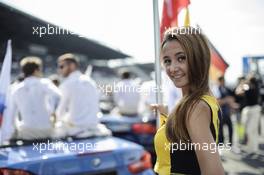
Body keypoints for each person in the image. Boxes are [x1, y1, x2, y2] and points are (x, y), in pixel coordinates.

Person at [152, 27, 224, 175]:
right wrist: (168, 115)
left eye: (181, 58)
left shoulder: (195, 107)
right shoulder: (197, 103)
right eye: (167, 61)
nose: (172, 68)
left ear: (197, 58)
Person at [1, 56, 61, 141]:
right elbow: (58, 96)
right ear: (36, 70)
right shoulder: (45, 83)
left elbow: (12, 115)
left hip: (27, 132)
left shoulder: (16, 89)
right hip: (46, 130)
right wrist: (52, 113)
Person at [55, 53, 107, 138]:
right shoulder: (91, 82)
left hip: (76, 131)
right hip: (94, 127)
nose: (59, 70)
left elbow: (60, 112)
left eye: (61, 66)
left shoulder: (67, 84)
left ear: (72, 66)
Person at [237, 75, 261, 153]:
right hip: (253, 110)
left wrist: (242, 84)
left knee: (250, 130)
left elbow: (238, 92)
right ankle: (253, 148)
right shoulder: (254, 88)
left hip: (254, 110)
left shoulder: (251, 88)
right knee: (253, 131)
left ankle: (252, 148)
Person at [214, 76, 238, 146]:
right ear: (219, 81)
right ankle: (220, 145)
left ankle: (230, 143)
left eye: (224, 81)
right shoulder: (216, 90)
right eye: (222, 81)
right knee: (220, 131)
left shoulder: (227, 89)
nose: (223, 82)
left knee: (230, 128)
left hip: (227, 112)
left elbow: (232, 99)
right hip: (220, 113)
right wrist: (226, 100)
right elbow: (217, 101)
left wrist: (232, 104)